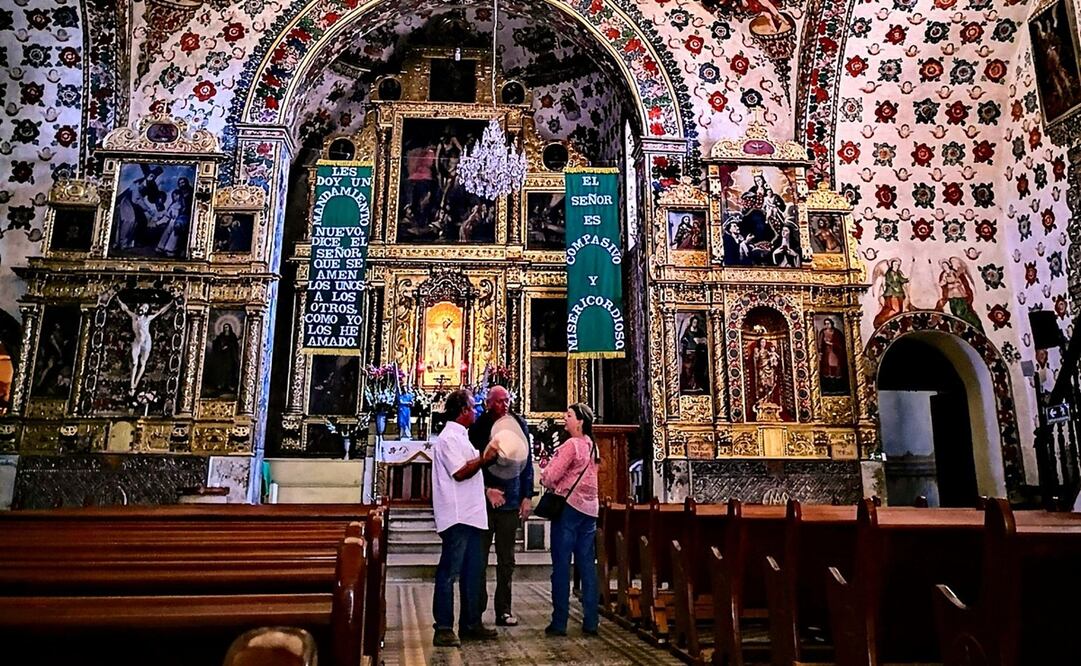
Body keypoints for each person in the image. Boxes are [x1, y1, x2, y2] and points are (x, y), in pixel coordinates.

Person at [431, 389, 500, 648]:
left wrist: (485, 487)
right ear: (462, 411)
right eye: (473, 407)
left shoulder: (463, 437)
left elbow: (470, 476)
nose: (477, 411)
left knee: (473, 572)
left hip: (471, 514)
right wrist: (484, 458)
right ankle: (444, 627)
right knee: (450, 571)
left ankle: (471, 623)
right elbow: (459, 473)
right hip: (457, 515)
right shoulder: (448, 439)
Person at [468, 385, 535, 627]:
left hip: (510, 499)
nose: (504, 405)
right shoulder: (478, 427)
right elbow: (471, 461)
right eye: (499, 401)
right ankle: (476, 610)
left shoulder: (518, 423)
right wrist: (486, 489)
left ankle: (503, 610)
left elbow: (528, 462)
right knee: (479, 558)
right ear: (488, 403)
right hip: (483, 502)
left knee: (507, 559)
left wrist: (527, 495)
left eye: (507, 400)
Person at [540, 402, 600, 637]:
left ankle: (559, 621)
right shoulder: (592, 446)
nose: (565, 418)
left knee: (562, 566)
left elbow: (551, 476)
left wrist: (545, 475)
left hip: (569, 510)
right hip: (590, 510)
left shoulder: (571, 445)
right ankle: (591, 620)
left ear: (580, 422)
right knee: (587, 567)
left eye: (569, 415)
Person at [117, 298, 172, 394]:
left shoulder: (148, 319)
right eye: (143, 306)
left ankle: (135, 385)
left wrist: (171, 303)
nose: (143, 308)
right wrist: (118, 299)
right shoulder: (133, 316)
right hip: (137, 341)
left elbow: (160, 312)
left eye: (146, 308)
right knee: (134, 363)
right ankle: (132, 384)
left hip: (146, 342)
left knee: (142, 363)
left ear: (147, 311)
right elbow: (125, 308)